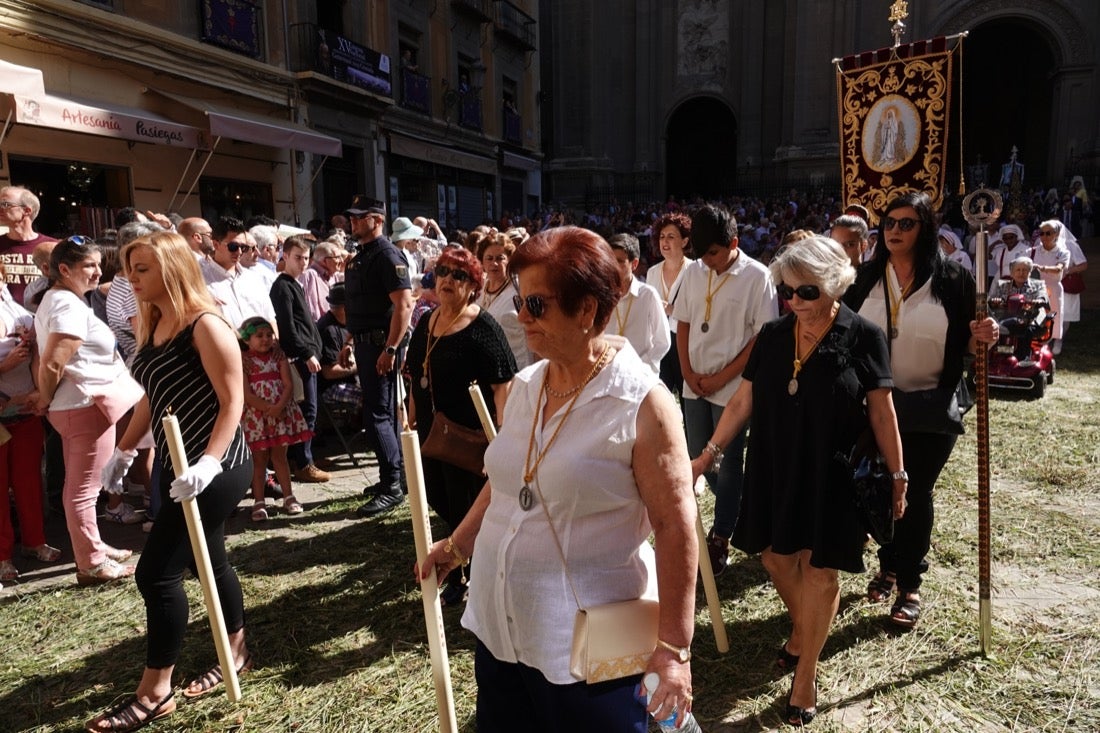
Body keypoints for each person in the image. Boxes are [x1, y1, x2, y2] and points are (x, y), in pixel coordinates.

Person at [417, 226, 697, 732]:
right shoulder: (528, 385)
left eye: (537, 305)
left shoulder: (643, 404)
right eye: (521, 301)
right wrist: (458, 545)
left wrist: (675, 649)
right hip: (501, 629)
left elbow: (677, 526)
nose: (521, 316)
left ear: (586, 309)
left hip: (588, 647)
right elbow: (509, 479)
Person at [691, 237, 905, 726]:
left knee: (820, 570)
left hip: (831, 471)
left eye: (806, 291)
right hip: (774, 465)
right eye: (786, 291)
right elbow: (742, 401)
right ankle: (808, 630)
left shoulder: (864, 336)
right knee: (774, 557)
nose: (795, 301)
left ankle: (805, 672)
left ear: (834, 285)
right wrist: (707, 454)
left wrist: (898, 472)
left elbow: (882, 411)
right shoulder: (771, 335)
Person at [85, 230, 254, 732]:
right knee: (211, 560)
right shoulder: (152, 323)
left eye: (141, 269)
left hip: (215, 467)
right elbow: (150, 398)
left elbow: (233, 402)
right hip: (176, 466)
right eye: (128, 269)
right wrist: (122, 449)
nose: (130, 279)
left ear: (172, 269)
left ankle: (156, 691)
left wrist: (209, 463)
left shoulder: (206, 324)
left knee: (155, 573)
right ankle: (237, 650)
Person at [843, 191, 998, 629]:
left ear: (925, 229)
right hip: (874, 409)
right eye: (889, 223)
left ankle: (909, 584)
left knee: (914, 491)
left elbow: (969, 342)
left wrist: (984, 334)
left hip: (931, 407)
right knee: (879, 488)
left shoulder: (951, 280)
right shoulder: (866, 279)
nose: (894, 231)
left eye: (905, 223)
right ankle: (888, 564)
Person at [406, 247, 516, 605]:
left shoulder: (484, 328)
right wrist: (409, 412)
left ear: (473, 286)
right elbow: (415, 372)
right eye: (443, 272)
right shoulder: (427, 320)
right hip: (430, 432)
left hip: (469, 440)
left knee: (467, 503)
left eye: (459, 275)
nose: (448, 280)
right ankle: (461, 563)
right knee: (437, 496)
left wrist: (501, 442)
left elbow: (504, 388)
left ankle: (470, 573)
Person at [672, 205, 778, 575]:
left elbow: (760, 338)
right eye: (701, 255)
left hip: (732, 385)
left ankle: (721, 537)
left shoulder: (757, 277)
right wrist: (687, 370)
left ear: (733, 242)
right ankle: (750, 507)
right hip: (694, 381)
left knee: (727, 460)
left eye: (714, 253)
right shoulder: (696, 271)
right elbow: (683, 323)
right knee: (701, 457)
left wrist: (721, 377)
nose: (707, 261)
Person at [33, 237, 139, 585]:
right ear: (63, 270)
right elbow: (52, 363)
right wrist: (44, 399)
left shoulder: (64, 299)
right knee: (84, 490)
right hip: (83, 406)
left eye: (98, 264)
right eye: (88, 266)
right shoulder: (66, 304)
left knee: (81, 487)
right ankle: (91, 564)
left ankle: (93, 547)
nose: (97, 271)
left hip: (81, 405)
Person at [342, 196, 414, 517]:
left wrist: (391, 348)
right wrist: (349, 338)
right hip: (365, 341)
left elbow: (404, 306)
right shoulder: (363, 254)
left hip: (380, 345)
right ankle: (397, 477)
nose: (353, 222)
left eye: (360, 218)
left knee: (379, 415)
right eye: (352, 218)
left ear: (377, 219)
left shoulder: (386, 254)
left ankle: (392, 486)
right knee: (377, 413)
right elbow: (361, 304)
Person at [0, 267, 59, 582]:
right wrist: (4, 365)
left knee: (29, 482)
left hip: (23, 407)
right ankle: (2, 555)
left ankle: (34, 541)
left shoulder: (14, 306)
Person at [270, 235, 328, 484]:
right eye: (298, 257)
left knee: (309, 411)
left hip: (309, 354)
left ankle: (305, 458)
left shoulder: (295, 283)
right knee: (307, 411)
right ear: (285, 256)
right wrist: (306, 354)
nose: (303, 262)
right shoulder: (282, 286)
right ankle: (304, 463)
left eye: (306, 258)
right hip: (299, 358)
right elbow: (287, 327)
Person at [239, 317, 311, 520]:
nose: (265, 339)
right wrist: (265, 408)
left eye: (269, 335)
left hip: (280, 413)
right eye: (259, 336)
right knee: (259, 459)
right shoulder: (243, 360)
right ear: (247, 339)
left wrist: (278, 407)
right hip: (257, 416)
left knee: (280, 457)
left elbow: (288, 384)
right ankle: (259, 501)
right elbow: (245, 392)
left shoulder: (279, 357)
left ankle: (289, 496)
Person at [606, 233, 670, 375]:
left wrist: (640, 366)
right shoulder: (603, 295)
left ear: (634, 264)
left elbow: (663, 342)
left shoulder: (648, 295)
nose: (614, 267)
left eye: (620, 261)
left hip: (640, 376)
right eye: (610, 261)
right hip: (608, 375)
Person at [645, 212, 693, 398]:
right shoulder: (652, 272)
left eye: (671, 237)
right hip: (659, 344)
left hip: (685, 343)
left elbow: (699, 310)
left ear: (684, 241)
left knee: (686, 397)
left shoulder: (695, 271)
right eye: (662, 236)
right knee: (659, 397)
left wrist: (674, 310)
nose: (665, 241)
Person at [477, 232, 532, 370]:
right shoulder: (480, 289)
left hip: (519, 370)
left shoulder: (521, 290)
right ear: (482, 262)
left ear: (509, 260)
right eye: (489, 258)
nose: (494, 263)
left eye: (500, 258)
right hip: (489, 371)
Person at [0, 186, 57, 305]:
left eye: (5, 204)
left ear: (27, 211)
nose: (0, 208)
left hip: (41, 318)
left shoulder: (52, 247)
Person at [1031, 219, 1071, 354]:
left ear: (1056, 234)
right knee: (1033, 317)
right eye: (1041, 233)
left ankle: (1051, 346)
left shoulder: (1063, 252)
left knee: (1052, 318)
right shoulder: (1032, 251)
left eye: (1048, 233)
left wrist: (1041, 268)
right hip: (1034, 289)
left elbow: (1059, 268)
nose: (1044, 237)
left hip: (1053, 289)